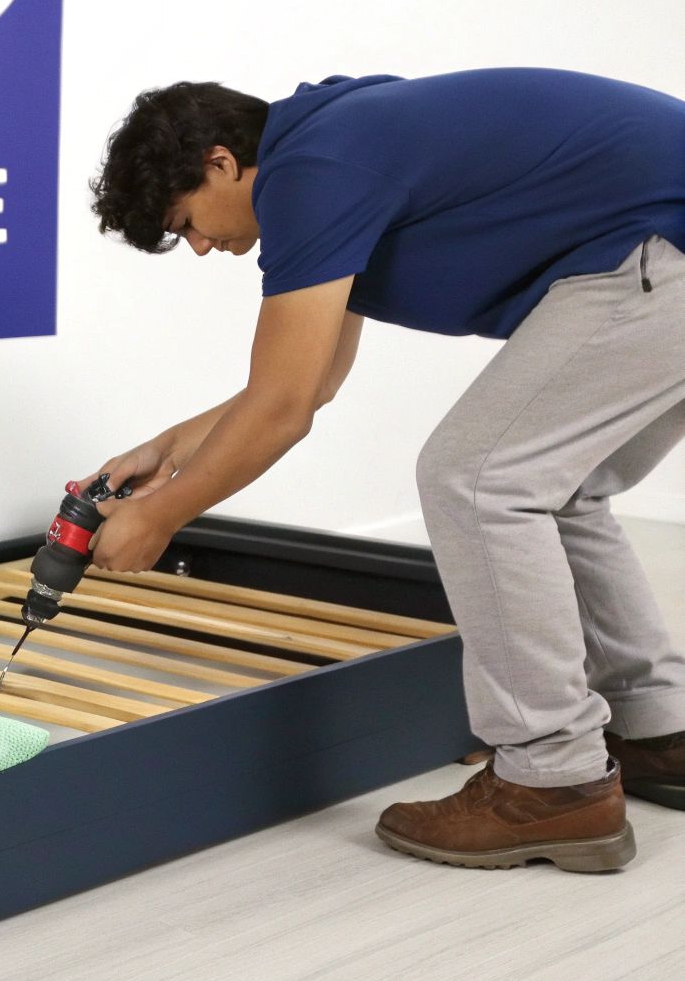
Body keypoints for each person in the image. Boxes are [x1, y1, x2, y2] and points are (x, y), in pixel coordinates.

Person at [82, 69, 685, 871]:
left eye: (184, 221)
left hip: (657, 248)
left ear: (222, 163)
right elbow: (312, 380)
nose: (198, 246)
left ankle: (552, 784)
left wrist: (160, 516)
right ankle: (659, 730)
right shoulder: (339, 141)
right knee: (555, 489)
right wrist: (171, 447)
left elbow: (283, 408)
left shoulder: (315, 174)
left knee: (477, 480)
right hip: (659, 249)